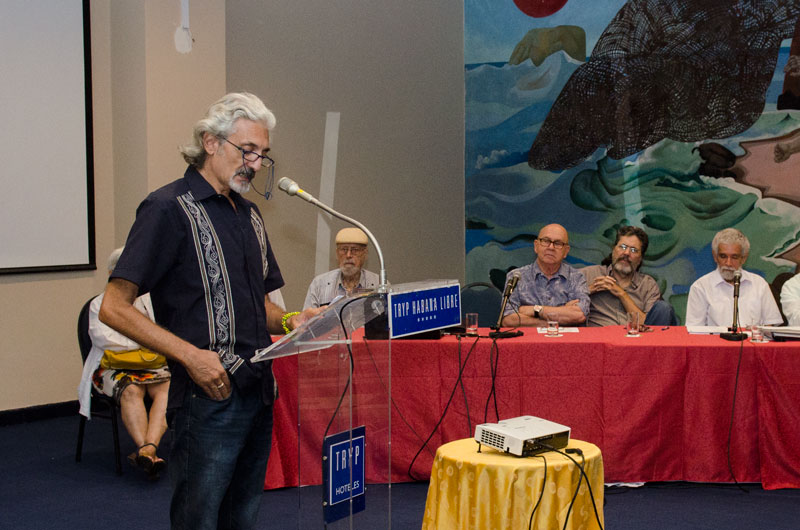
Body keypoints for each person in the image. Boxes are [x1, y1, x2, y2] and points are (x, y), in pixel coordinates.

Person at [99, 92, 318, 530]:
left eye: (263, 154)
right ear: (211, 142)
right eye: (247, 150)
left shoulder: (250, 215)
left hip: (259, 392)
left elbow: (259, 305)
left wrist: (291, 320)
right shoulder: (167, 208)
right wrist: (190, 356)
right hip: (206, 400)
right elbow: (113, 307)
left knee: (242, 517)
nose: (255, 164)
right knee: (198, 520)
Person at [78, 247, 170, 478]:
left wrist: (142, 340)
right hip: (112, 367)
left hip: (151, 364)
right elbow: (106, 340)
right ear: (112, 275)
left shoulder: (150, 301)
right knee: (131, 390)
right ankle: (147, 450)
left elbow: (165, 332)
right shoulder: (99, 304)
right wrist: (146, 339)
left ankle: (148, 450)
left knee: (167, 388)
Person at [685, 228, 783, 327]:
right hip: (715, 337)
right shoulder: (700, 287)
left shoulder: (759, 284)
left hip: (752, 337)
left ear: (743, 258)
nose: (728, 263)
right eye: (723, 256)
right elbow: (694, 329)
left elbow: (771, 325)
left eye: (734, 257)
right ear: (715, 256)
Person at [581, 226, 677, 327]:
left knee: (664, 308)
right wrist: (588, 290)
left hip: (636, 336)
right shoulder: (588, 274)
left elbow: (650, 326)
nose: (626, 253)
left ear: (640, 258)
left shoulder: (648, 285)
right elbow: (569, 307)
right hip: (599, 335)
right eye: (622, 247)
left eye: (633, 250)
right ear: (613, 250)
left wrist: (622, 294)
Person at [501, 223, 589, 327]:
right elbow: (508, 320)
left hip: (566, 338)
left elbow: (579, 315)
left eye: (558, 243)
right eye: (546, 241)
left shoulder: (576, 277)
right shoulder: (516, 277)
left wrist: (534, 310)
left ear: (566, 251)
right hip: (530, 337)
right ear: (536, 246)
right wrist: (550, 323)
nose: (551, 247)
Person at [302, 227, 379, 309]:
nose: (348, 255)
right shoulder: (319, 284)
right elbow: (307, 317)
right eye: (344, 249)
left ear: (365, 254)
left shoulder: (378, 284)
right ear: (337, 253)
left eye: (355, 250)